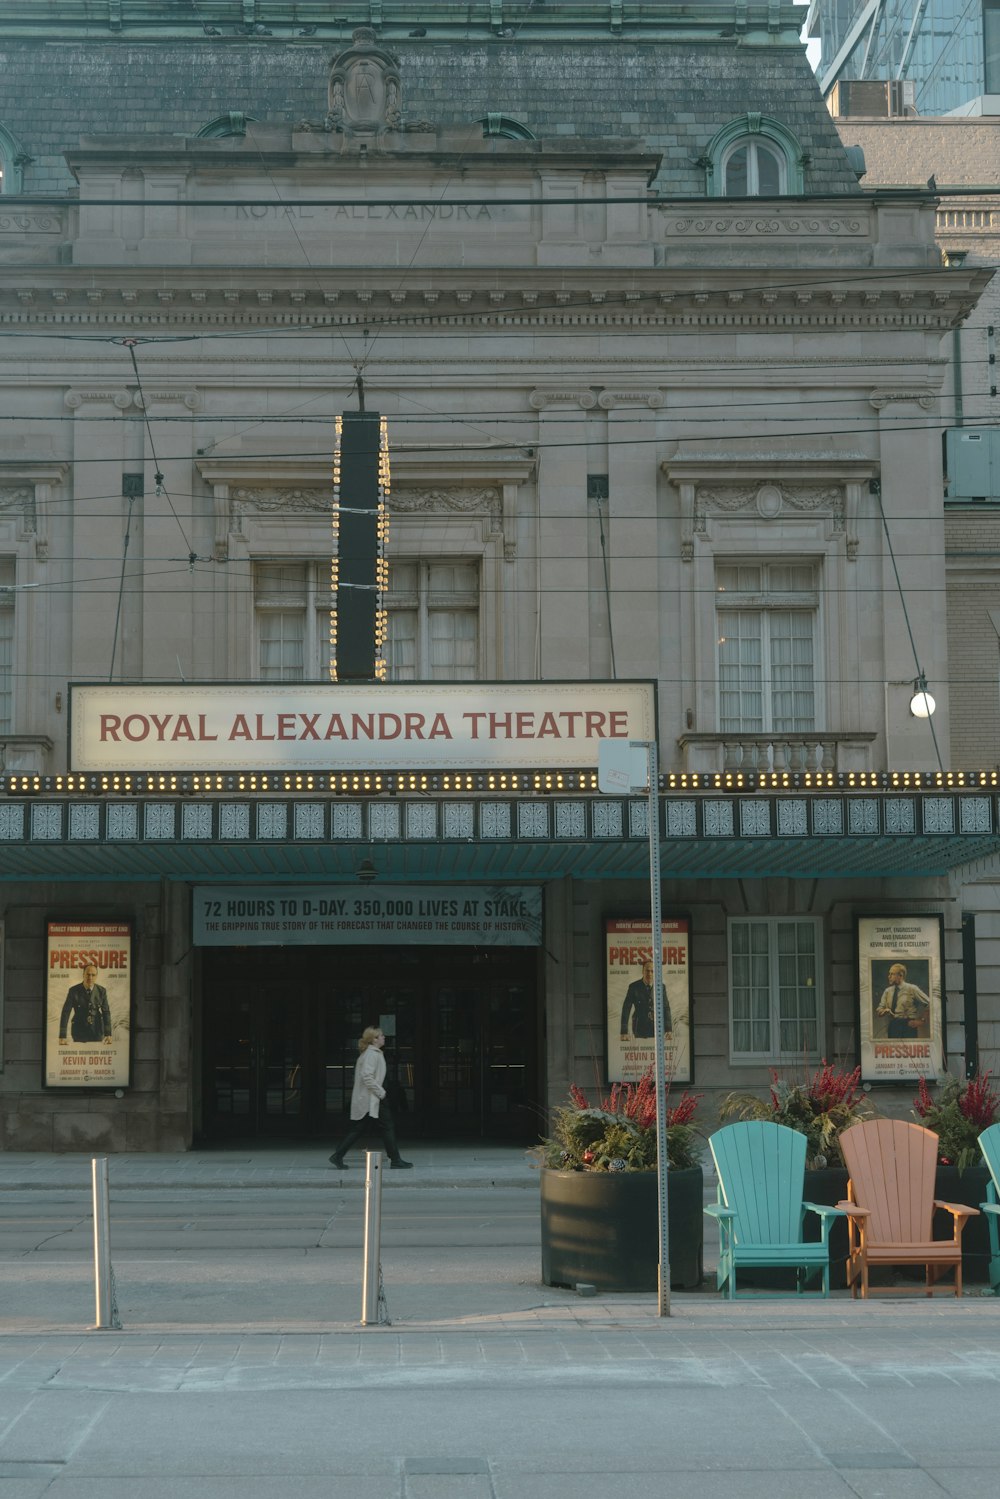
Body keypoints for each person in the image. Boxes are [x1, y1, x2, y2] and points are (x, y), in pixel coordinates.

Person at [329, 1027, 413, 1170]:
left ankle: (338, 1155)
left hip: (372, 1098)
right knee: (387, 1127)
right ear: (374, 1039)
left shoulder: (371, 1053)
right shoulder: (371, 1054)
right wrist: (381, 1093)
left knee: (360, 1128)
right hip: (373, 1098)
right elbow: (367, 1077)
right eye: (380, 1035)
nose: (383, 1037)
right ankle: (395, 1160)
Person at [620, 957, 672, 1042]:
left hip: (657, 1028)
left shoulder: (661, 987)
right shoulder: (634, 987)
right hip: (639, 1028)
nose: (650, 974)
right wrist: (624, 1031)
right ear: (642, 971)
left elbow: (666, 1008)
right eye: (647, 971)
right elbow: (626, 1008)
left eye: (652, 971)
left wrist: (668, 1030)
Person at [58, 963, 112, 1045]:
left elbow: (106, 1012)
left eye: (93, 975)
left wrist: (108, 1034)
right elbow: (66, 1012)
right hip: (79, 1031)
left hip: (97, 1031)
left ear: (96, 976)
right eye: (88, 974)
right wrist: (62, 1036)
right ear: (83, 974)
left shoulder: (102, 991)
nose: (90, 977)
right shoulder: (73, 991)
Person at [875, 962, 931, 1038]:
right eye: (889, 974)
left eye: (892, 974)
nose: (889, 976)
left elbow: (930, 1003)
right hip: (893, 1026)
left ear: (900, 975)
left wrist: (922, 1021)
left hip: (908, 1026)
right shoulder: (887, 991)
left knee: (910, 1049)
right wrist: (885, 1011)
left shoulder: (912, 989)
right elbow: (879, 1010)